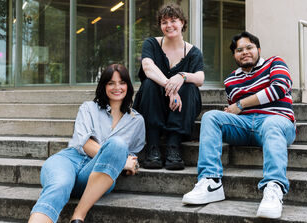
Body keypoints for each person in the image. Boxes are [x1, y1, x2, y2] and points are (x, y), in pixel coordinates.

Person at [182, 31, 296, 219]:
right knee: (211, 116)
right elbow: (234, 109)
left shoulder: (275, 63)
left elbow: (278, 89)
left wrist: (241, 104)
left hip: (277, 121)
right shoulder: (230, 80)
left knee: (272, 123)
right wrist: (232, 111)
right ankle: (211, 181)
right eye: (239, 50)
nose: (244, 52)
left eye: (249, 47)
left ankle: (273, 188)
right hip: (245, 125)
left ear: (258, 49)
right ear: (234, 55)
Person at [28, 64, 145, 223]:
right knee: (59, 185)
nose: (117, 87)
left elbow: (131, 156)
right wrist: (121, 161)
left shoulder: (136, 121)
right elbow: (85, 144)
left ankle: (78, 216)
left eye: (122, 82)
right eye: (111, 83)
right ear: (103, 86)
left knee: (117, 144)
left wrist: (129, 164)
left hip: (99, 174)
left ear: (128, 86)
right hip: (68, 161)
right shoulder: (88, 108)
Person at [133, 3, 204, 170]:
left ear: (182, 23)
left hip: (180, 107)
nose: (169, 25)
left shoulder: (193, 52)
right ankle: (153, 147)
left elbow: (200, 78)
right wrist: (171, 88)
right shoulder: (151, 44)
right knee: (149, 83)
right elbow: (148, 68)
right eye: (164, 22)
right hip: (153, 103)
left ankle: (173, 146)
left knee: (190, 86)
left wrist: (182, 76)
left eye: (173, 20)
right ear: (160, 25)